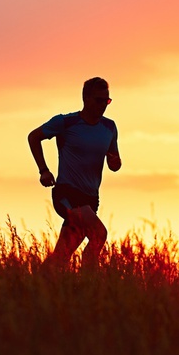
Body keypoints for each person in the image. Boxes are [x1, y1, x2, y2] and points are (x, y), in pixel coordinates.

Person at [28, 77, 121, 270]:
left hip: (91, 199)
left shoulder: (109, 127)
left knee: (61, 257)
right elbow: (34, 137)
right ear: (86, 98)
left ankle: (34, 286)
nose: (104, 105)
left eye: (107, 101)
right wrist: (43, 170)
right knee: (99, 234)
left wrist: (115, 163)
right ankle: (88, 284)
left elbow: (114, 163)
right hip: (67, 193)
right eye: (99, 100)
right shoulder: (66, 122)